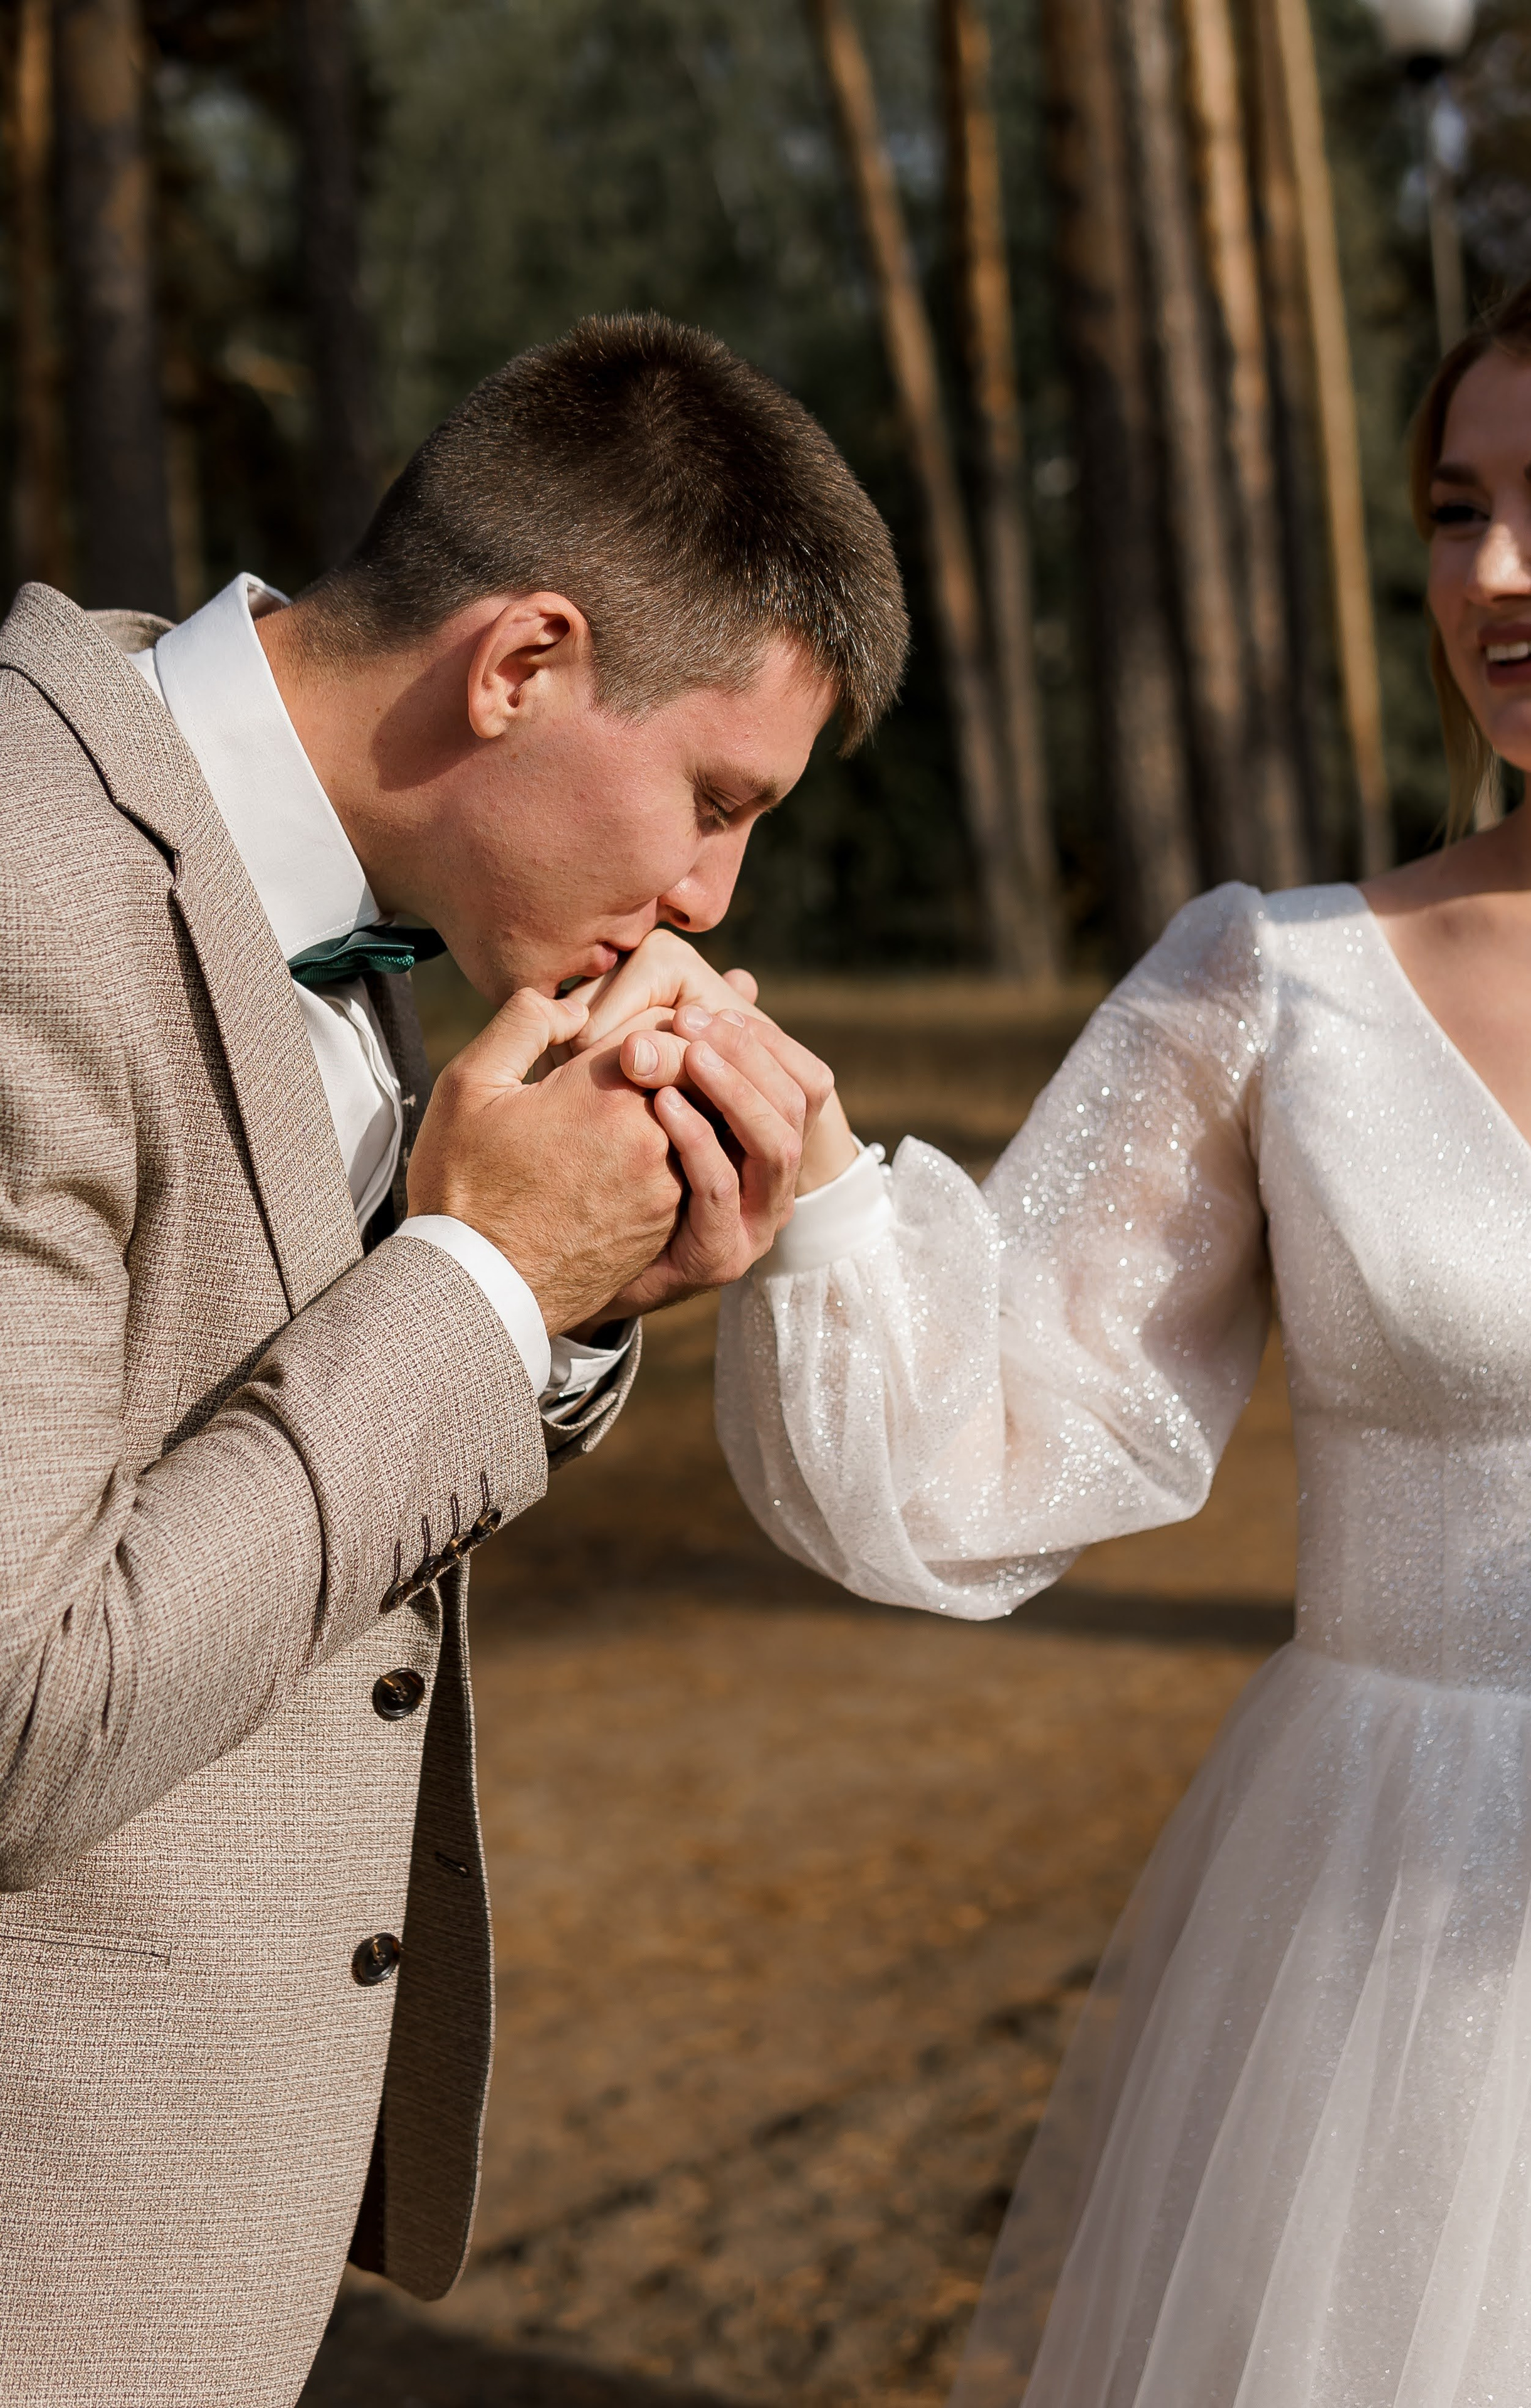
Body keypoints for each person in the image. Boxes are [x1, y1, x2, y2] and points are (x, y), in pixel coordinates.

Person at [587, 258, 1531, 2404]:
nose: (1496, 567)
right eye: (1454, 507)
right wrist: (820, 1191)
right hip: (1401, 1938)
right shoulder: (1284, 988)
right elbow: (985, 1438)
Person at [0, 314, 907, 2405]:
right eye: (713, 798)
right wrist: (484, 1282)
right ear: (519, 664)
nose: (704, 894)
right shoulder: (42, 889)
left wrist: (570, 1300)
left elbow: (257, 1440)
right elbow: (29, 1710)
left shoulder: (337, 869)